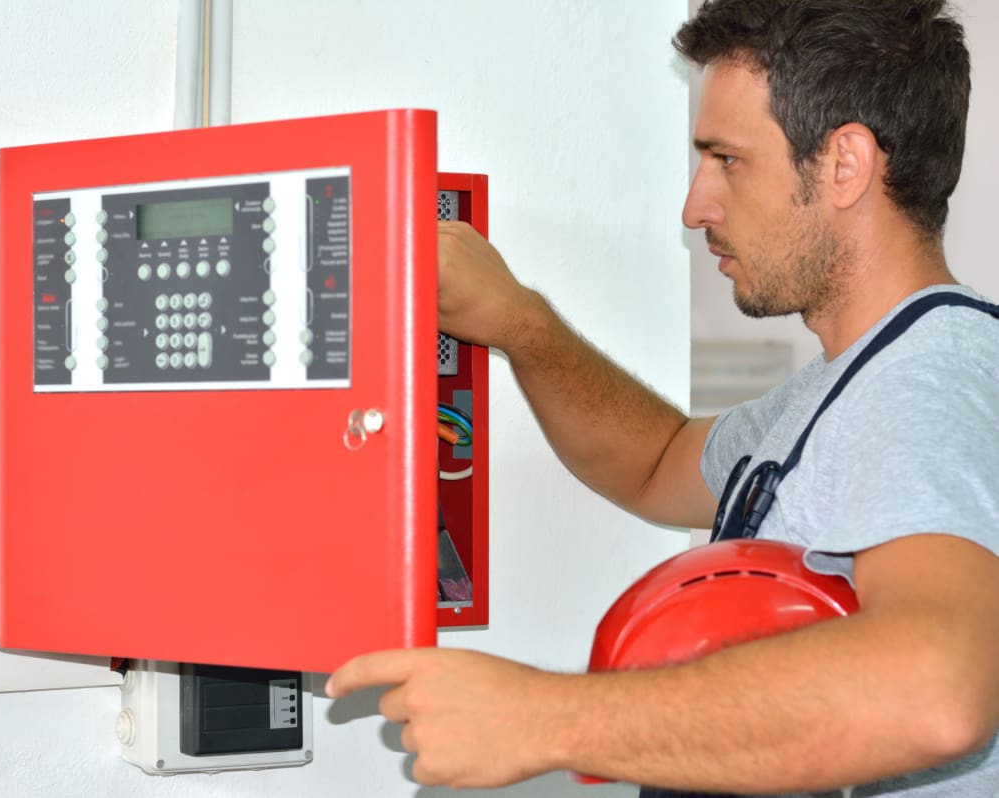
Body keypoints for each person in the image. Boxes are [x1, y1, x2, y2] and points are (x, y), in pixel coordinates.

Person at [326, 1, 999, 795]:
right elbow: (657, 461)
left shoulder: (928, 379)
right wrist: (517, 323)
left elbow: (936, 692)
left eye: (727, 159)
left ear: (846, 165)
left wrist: (540, 717)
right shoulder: (846, 383)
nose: (695, 207)